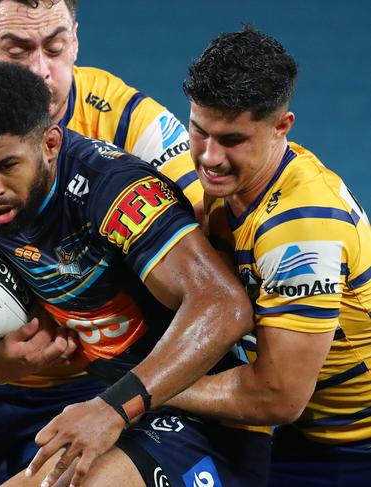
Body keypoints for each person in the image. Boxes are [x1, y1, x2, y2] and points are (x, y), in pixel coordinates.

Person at [0, 1, 206, 485]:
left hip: (98, 380)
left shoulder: (134, 125)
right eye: (18, 49)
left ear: (75, 39)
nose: (41, 71)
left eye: (55, 45)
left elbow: (211, 261)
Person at [0, 60, 271, 487]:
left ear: (51, 143)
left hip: (211, 422)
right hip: (120, 406)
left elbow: (223, 306)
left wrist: (113, 408)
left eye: (6, 165)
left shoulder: (115, 192)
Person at [161, 26, 371, 487]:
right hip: (305, 434)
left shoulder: (301, 229)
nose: (209, 158)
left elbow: (277, 397)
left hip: (352, 449)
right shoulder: (233, 186)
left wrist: (144, 388)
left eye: (232, 140)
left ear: (282, 126)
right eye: (199, 131)